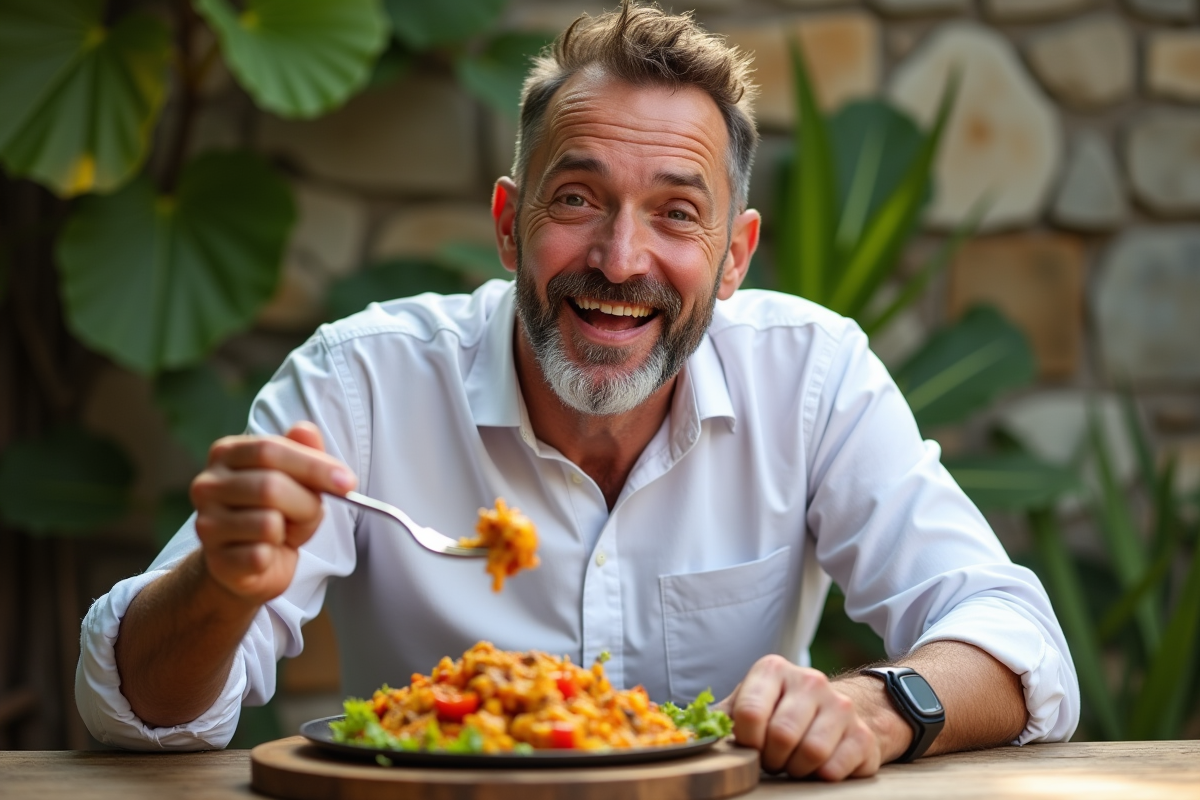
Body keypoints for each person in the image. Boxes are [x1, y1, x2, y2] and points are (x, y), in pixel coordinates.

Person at [77, 1, 1078, 779]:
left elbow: (1014, 638)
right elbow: (137, 712)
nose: (619, 256)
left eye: (677, 215)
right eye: (577, 198)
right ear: (509, 224)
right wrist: (222, 583)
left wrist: (879, 703)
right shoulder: (361, 380)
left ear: (735, 257)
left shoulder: (814, 376)